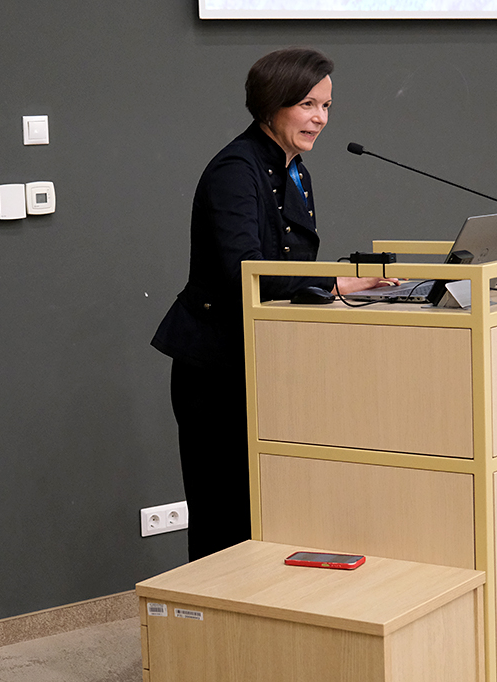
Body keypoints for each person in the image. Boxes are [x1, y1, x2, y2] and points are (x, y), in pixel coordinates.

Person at [151, 47, 395, 561]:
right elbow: (245, 269)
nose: (320, 118)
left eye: (326, 106)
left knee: (272, 509)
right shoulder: (235, 170)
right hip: (217, 367)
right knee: (225, 513)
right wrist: (337, 285)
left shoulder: (294, 170)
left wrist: (348, 284)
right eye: (307, 104)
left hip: (268, 357)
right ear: (272, 103)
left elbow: (291, 264)